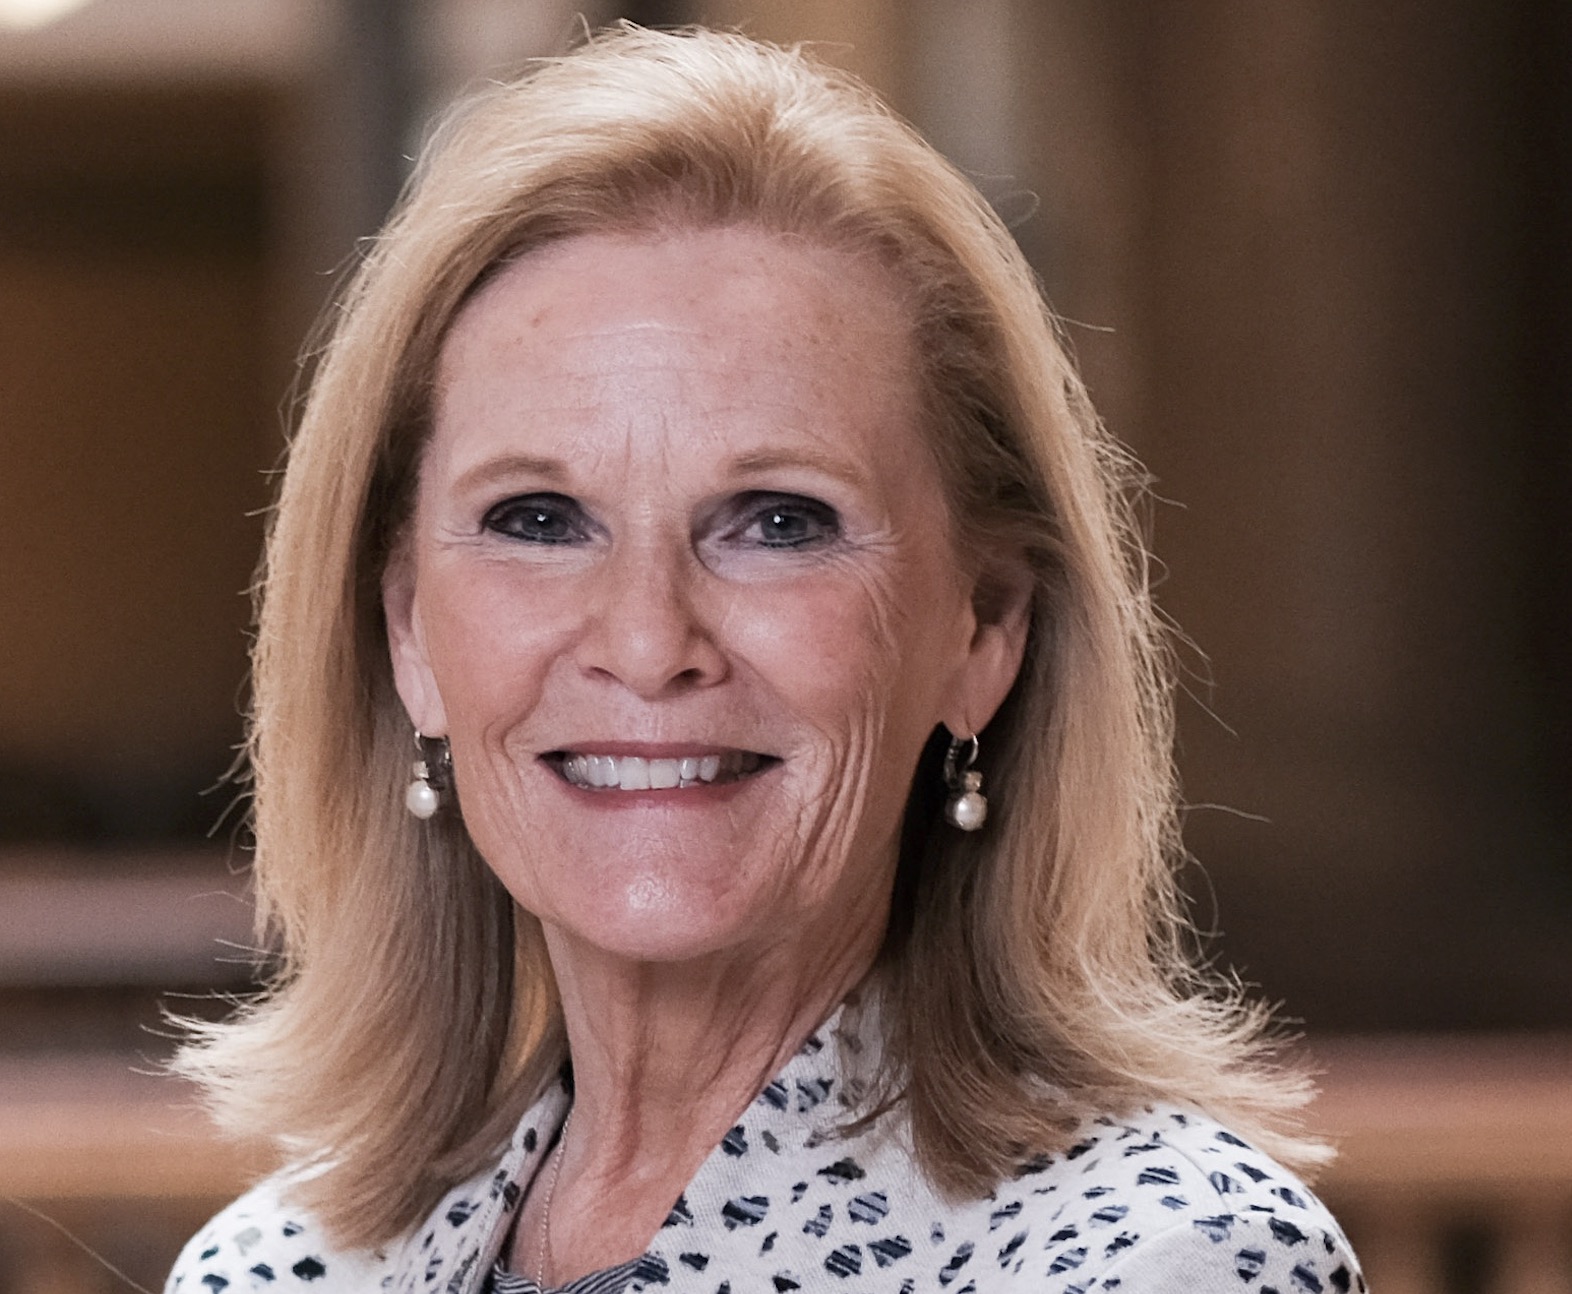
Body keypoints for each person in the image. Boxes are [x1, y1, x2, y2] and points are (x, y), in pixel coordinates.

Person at [166, 25, 1363, 1294]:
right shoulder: (278, 1269)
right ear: (408, 631)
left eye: (780, 521)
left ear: (984, 627)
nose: (645, 639)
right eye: (538, 518)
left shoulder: (1167, 1260)